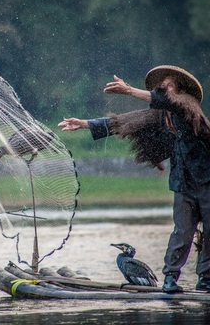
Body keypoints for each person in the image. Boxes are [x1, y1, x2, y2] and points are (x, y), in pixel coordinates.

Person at [58, 65, 210, 294]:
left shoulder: (189, 105)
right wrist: (85, 124)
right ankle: (170, 278)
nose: (165, 89)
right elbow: (125, 121)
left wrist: (129, 90)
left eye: (170, 85)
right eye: (163, 86)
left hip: (207, 180)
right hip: (183, 183)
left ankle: (206, 280)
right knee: (182, 232)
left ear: (179, 89)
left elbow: (171, 102)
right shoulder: (161, 116)